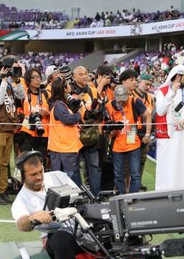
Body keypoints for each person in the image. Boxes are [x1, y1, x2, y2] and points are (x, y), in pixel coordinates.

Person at [10, 150, 89, 259]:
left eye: (40, 172)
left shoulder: (58, 176)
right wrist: (32, 217)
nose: (39, 177)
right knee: (61, 239)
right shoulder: (20, 201)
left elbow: (82, 198)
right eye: (33, 174)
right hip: (57, 238)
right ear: (21, 176)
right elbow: (21, 224)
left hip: (83, 228)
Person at [0, 57, 25, 205]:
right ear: (6, 69)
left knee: (4, 163)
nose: (15, 71)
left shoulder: (10, 84)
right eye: (13, 68)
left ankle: (2, 191)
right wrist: (3, 80)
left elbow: (21, 96)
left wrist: (17, 80)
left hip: (8, 127)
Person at [154, 65, 184, 191]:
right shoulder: (161, 91)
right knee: (168, 166)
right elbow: (160, 111)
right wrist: (172, 91)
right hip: (169, 136)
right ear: (178, 76)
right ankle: (164, 192)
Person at [107, 84, 151, 194]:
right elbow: (106, 127)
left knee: (135, 174)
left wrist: (147, 134)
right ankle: (122, 197)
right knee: (118, 174)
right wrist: (112, 129)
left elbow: (148, 115)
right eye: (119, 100)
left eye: (124, 99)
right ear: (114, 97)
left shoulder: (135, 101)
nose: (122, 102)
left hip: (133, 142)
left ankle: (133, 197)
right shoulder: (108, 106)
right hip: (117, 145)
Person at [70, 66, 102, 196]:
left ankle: (95, 195)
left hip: (91, 134)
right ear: (74, 76)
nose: (84, 76)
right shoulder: (69, 90)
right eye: (81, 74)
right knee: (75, 168)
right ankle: (78, 196)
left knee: (94, 167)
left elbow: (100, 109)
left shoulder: (93, 90)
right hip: (75, 134)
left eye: (86, 73)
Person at [48, 78, 83, 187]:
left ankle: (78, 198)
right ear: (64, 89)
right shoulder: (59, 105)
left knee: (72, 176)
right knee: (66, 179)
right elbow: (69, 120)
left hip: (66, 147)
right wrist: (79, 114)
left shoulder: (62, 104)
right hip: (63, 148)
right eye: (68, 84)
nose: (70, 86)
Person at [16, 68, 50, 160]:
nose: (38, 79)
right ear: (28, 79)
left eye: (39, 77)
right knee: (25, 161)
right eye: (34, 77)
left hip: (42, 133)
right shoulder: (23, 94)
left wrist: (48, 113)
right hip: (26, 132)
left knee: (40, 161)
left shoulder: (46, 93)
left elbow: (55, 111)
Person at [133, 73, 155, 190]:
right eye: (146, 84)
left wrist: (149, 133)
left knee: (142, 159)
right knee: (131, 159)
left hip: (145, 131)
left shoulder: (150, 97)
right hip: (133, 131)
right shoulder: (131, 95)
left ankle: (138, 181)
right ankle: (131, 182)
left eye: (150, 85)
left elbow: (152, 115)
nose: (148, 87)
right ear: (139, 81)